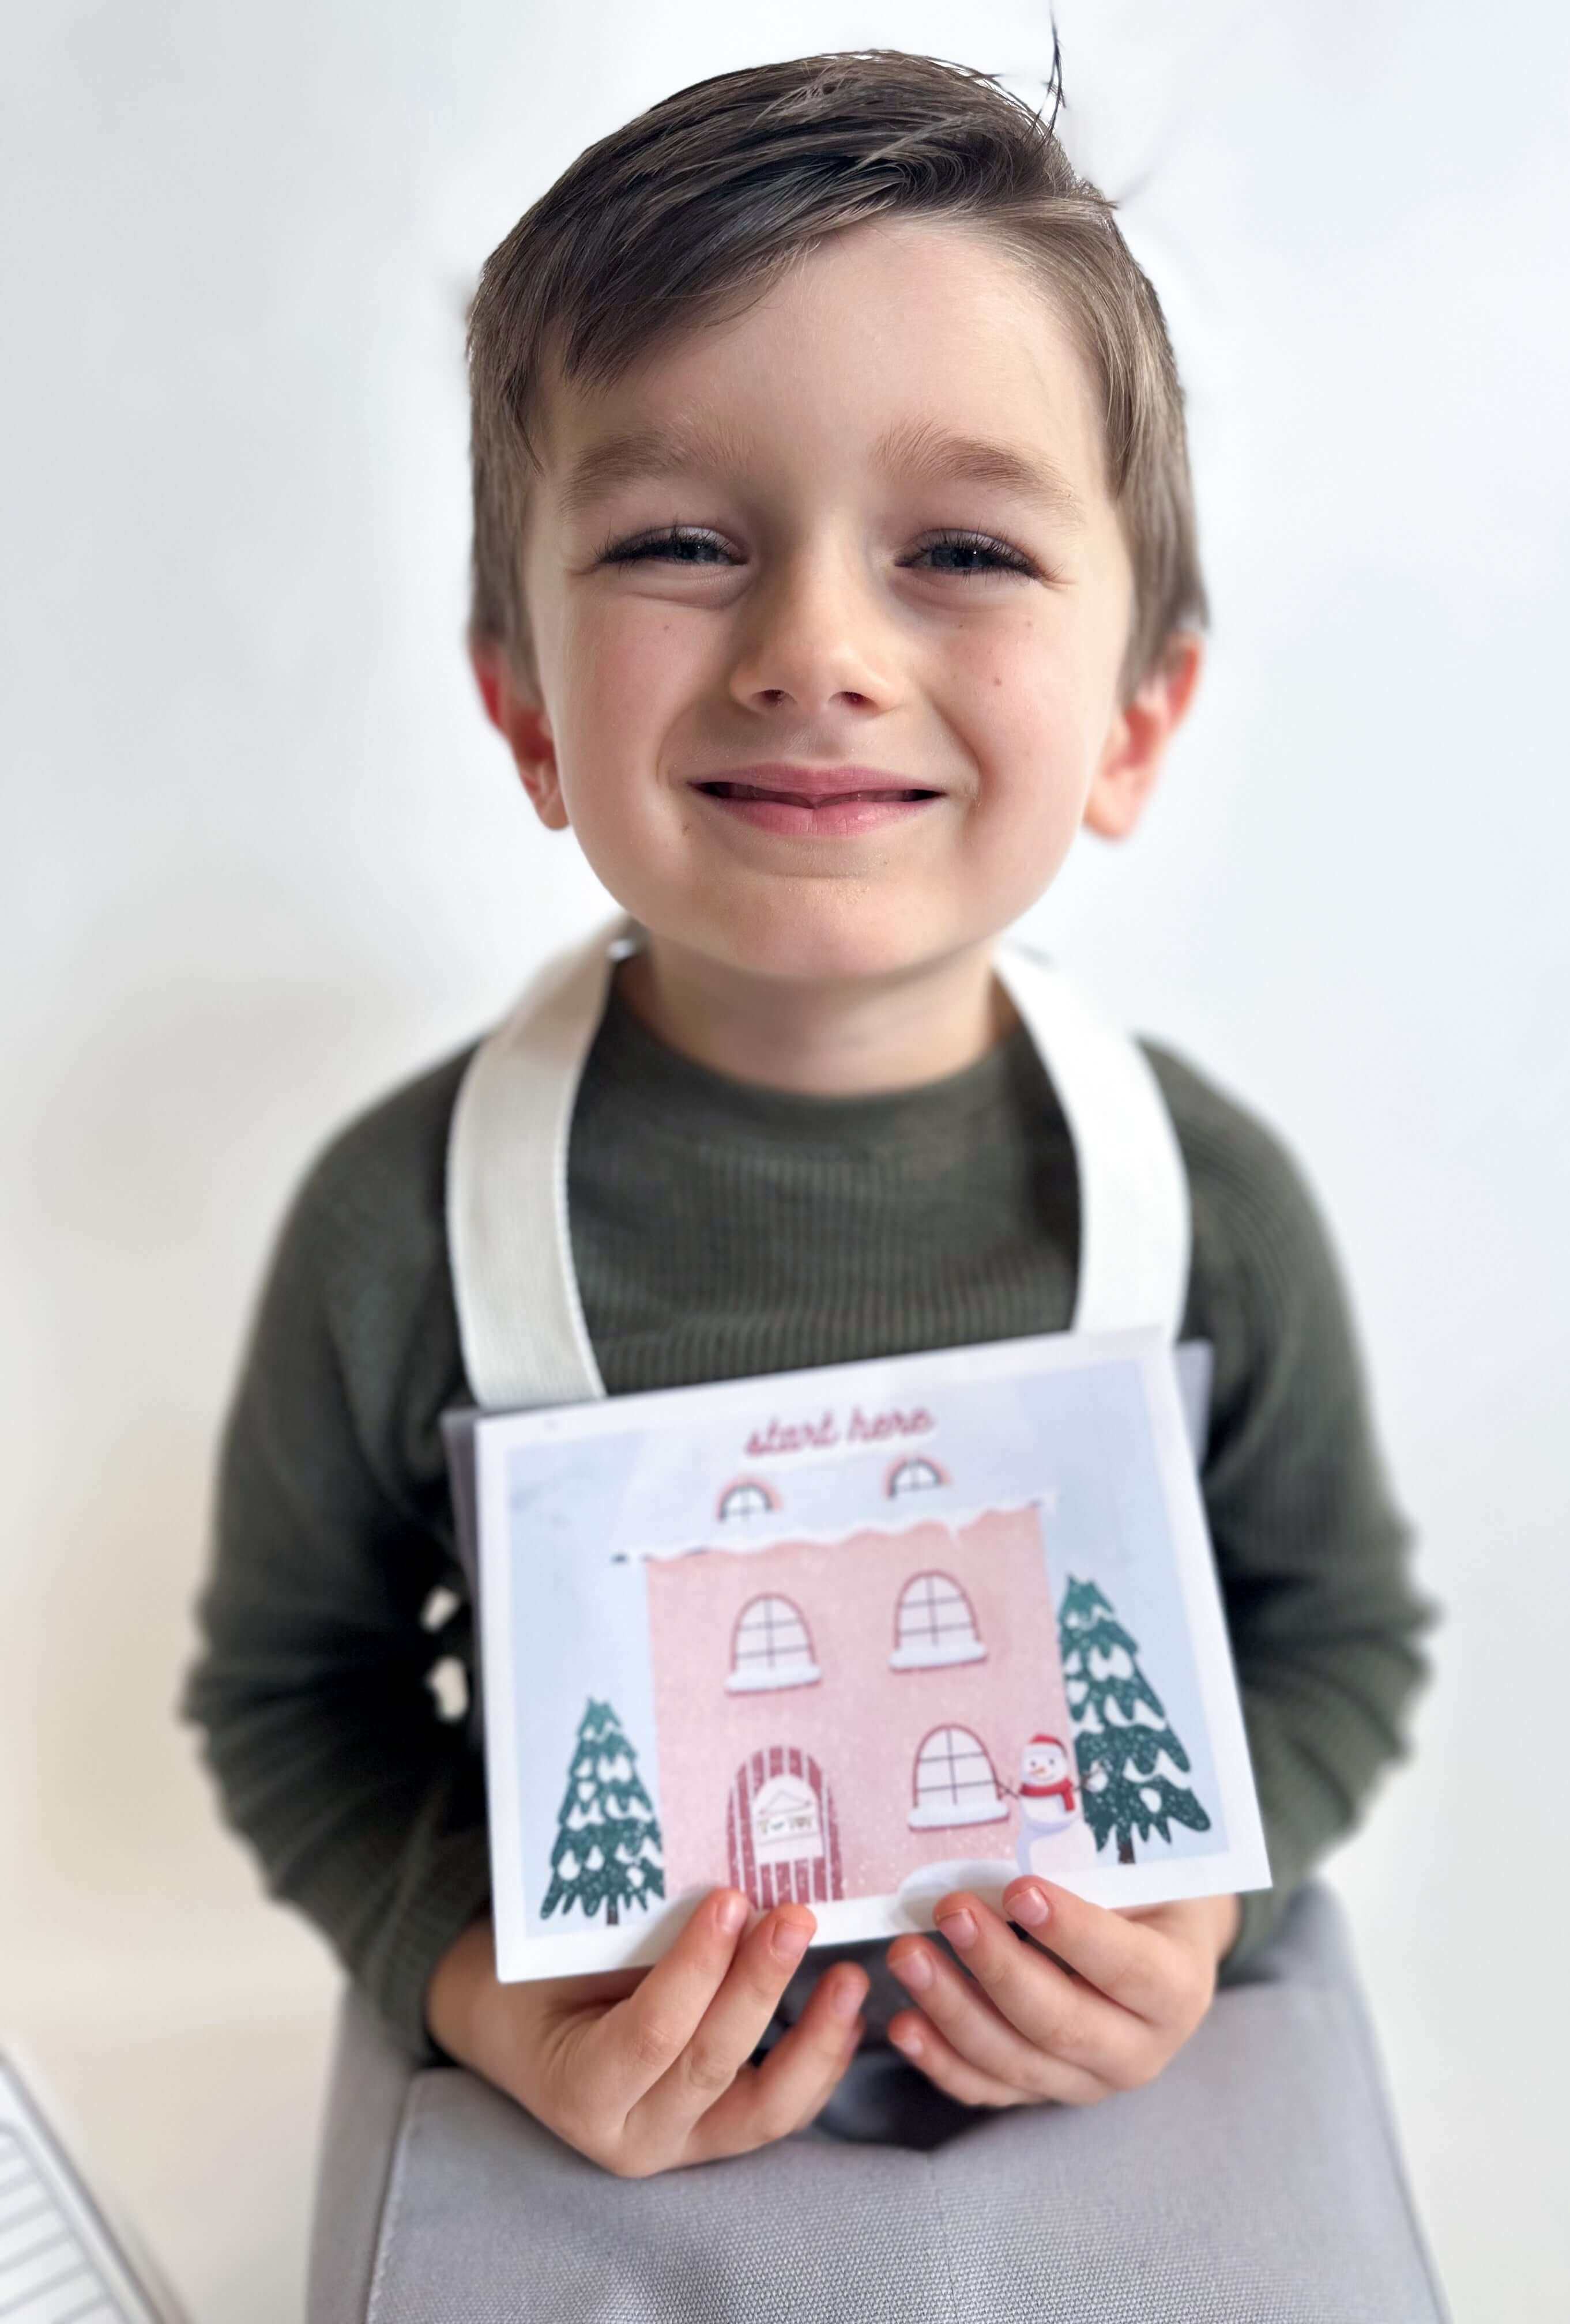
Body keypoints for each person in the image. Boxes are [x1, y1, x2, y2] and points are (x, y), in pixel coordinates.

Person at [185, 48, 1432, 2200]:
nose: (817, 647)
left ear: (1138, 723)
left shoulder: (1198, 1206)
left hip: (1107, 2150)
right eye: (681, 541)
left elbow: (1336, 1635)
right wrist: (474, 1988)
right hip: (593, 2169)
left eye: (958, 546)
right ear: (523, 708)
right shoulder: (406, 1228)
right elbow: (295, 1698)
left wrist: (1203, 1907)